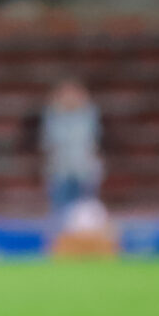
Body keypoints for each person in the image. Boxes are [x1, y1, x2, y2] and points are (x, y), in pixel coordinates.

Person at [40, 78, 104, 214]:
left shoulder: (88, 114)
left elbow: (93, 141)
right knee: (60, 208)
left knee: (85, 208)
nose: (70, 97)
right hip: (60, 169)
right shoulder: (53, 115)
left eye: (73, 93)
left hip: (84, 169)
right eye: (66, 93)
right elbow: (49, 142)